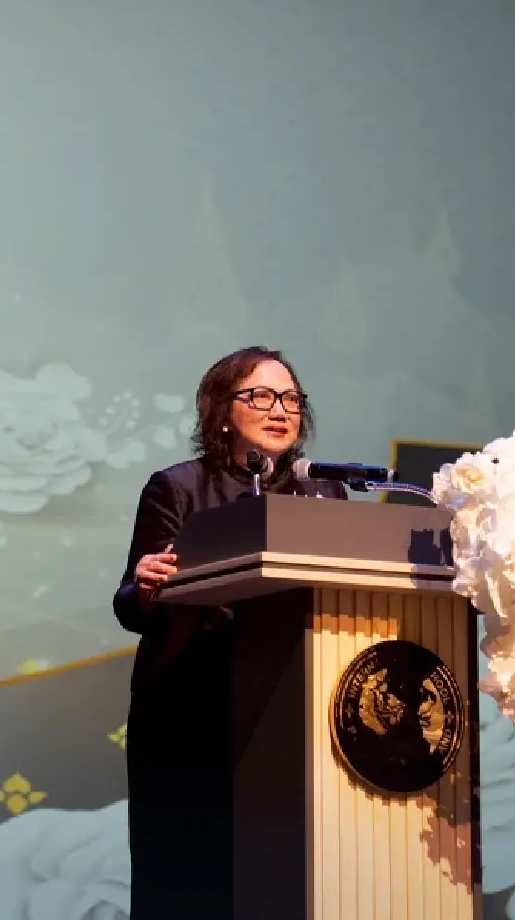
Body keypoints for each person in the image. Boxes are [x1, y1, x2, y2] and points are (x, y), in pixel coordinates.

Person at [113, 346, 348, 920]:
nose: (280, 410)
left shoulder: (324, 494)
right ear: (222, 412)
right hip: (192, 714)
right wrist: (147, 585)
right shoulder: (179, 488)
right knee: (191, 885)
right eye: (260, 396)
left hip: (297, 714)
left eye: (291, 399)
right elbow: (130, 604)